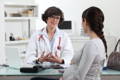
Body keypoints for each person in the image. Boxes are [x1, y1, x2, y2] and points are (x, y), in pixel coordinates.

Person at [63, 6, 107, 80]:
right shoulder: (98, 42)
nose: (81, 24)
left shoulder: (92, 45)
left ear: (85, 21)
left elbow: (79, 76)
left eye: (82, 21)